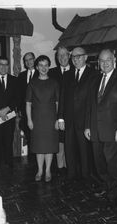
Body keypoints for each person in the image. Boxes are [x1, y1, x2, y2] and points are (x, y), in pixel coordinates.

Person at [84, 48, 117, 202]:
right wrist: (87, 126)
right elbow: (90, 106)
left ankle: (113, 194)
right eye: (102, 60)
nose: (105, 63)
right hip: (95, 130)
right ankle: (105, 186)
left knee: (112, 164)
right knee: (99, 164)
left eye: (108, 60)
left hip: (113, 131)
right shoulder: (94, 80)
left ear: (114, 61)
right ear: (98, 63)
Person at [58, 47, 97, 180]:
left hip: (85, 120)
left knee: (84, 150)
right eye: (73, 57)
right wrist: (61, 118)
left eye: (78, 56)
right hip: (69, 120)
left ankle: (86, 176)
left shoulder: (94, 74)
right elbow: (62, 96)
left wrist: (90, 123)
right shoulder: (67, 74)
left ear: (86, 57)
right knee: (69, 149)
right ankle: (71, 174)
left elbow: (94, 101)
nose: (75, 59)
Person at [26, 55, 59, 182]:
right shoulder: (32, 83)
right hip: (37, 119)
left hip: (51, 119)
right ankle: (40, 170)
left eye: (46, 65)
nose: (43, 68)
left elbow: (57, 103)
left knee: (49, 146)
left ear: (49, 66)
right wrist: (29, 120)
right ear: (36, 67)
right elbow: (28, 103)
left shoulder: (54, 83)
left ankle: (48, 170)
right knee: (39, 147)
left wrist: (58, 119)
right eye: (41, 65)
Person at [49, 46, 73, 175]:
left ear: (69, 56)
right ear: (57, 58)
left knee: (71, 141)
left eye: (65, 55)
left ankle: (71, 166)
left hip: (73, 114)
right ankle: (60, 168)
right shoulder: (51, 73)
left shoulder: (76, 70)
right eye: (59, 55)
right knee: (59, 141)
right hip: (56, 113)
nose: (62, 58)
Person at [17, 52, 38, 163]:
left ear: (34, 59)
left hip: (39, 113)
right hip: (25, 113)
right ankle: (32, 160)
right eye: (26, 60)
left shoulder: (41, 73)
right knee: (29, 137)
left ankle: (39, 160)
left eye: (30, 59)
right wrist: (20, 110)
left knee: (38, 137)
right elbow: (19, 95)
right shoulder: (21, 76)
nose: (28, 62)